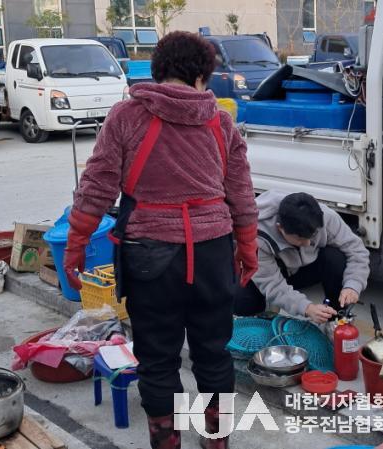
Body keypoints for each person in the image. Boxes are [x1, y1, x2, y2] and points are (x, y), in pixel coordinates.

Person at [62, 31, 258, 449]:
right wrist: (247, 248)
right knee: (213, 353)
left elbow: (97, 185)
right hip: (211, 254)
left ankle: (168, 442)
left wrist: (77, 242)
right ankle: (216, 441)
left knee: (157, 359)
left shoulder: (126, 116)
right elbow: (241, 194)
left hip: (149, 257)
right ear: (203, 75)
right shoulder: (221, 122)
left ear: (157, 71)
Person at [234, 190, 370, 323]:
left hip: (302, 269)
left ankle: (336, 318)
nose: (308, 243)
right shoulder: (255, 236)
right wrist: (307, 308)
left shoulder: (326, 217)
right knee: (242, 299)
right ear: (280, 228)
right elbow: (273, 285)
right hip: (272, 272)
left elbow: (357, 251)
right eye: (300, 239)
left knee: (335, 258)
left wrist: (353, 285)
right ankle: (260, 321)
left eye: (313, 236)